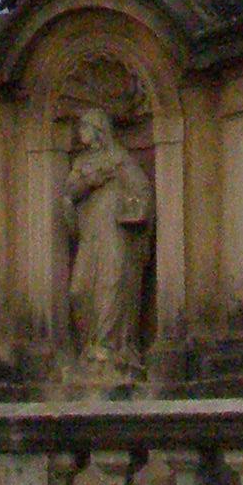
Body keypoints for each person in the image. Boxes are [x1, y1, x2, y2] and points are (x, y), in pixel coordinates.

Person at [64, 108, 153, 366]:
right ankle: (87, 346)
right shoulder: (80, 164)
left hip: (114, 233)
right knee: (78, 290)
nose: (81, 132)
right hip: (89, 234)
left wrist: (134, 210)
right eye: (80, 127)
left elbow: (142, 189)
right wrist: (90, 182)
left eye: (85, 127)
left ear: (99, 130)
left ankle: (108, 347)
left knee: (111, 284)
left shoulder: (119, 158)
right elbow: (70, 194)